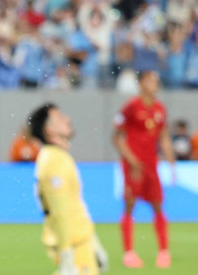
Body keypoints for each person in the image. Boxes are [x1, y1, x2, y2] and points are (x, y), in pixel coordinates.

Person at [28, 103, 109, 275]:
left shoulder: (57, 156)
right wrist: (67, 256)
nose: (68, 119)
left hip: (79, 243)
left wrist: (93, 242)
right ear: (49, 130)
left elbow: (74, 206)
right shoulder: (54, 161)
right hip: (73, 247)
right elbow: (59, 211)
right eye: (60, 118)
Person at [112, 70, 175, 269]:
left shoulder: (160, 109)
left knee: (157, 204)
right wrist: (131, 159)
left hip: (151, 164)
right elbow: (116, 137)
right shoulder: (131, 107)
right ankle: (129, 252)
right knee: (130, 205)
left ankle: (164, 251)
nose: (155, 84)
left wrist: (171, 159)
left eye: (157, 81)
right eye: (150, 80)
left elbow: (163, 136)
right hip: (133, 166)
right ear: (140, 84)